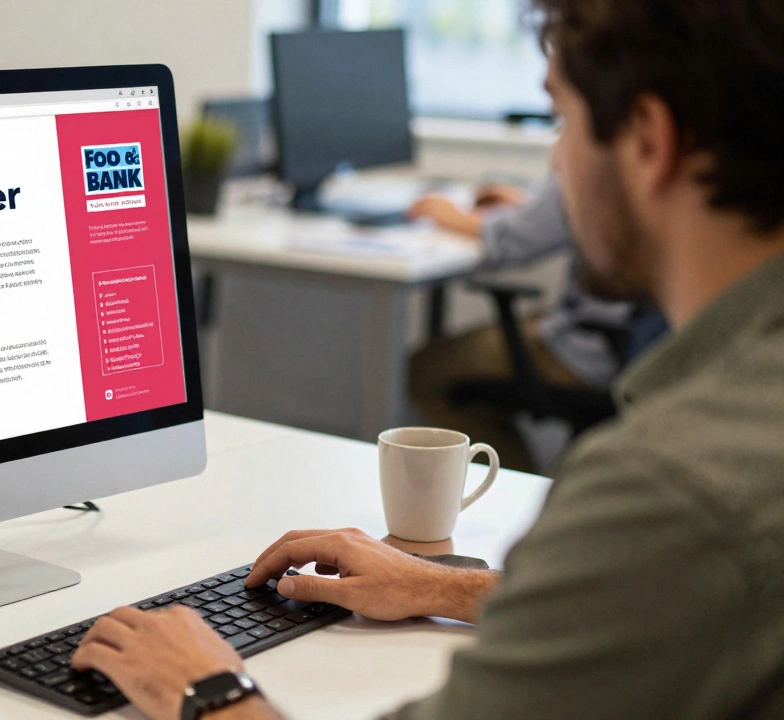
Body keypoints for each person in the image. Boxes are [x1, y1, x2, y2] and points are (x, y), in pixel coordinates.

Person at [69, 0, 784, 718]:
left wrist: (206, 689)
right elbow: (655, 607)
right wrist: (439, 584)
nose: (556, 161)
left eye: (562, 121)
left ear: (650, 141)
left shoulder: (670, 486)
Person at [405, 177, 659, 472]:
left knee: (423, 370)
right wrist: (528, 207)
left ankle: (504, 483)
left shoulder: (598, 162)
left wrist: (444, 212)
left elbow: (509, 240)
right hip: (629, 340)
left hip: (589, 346)